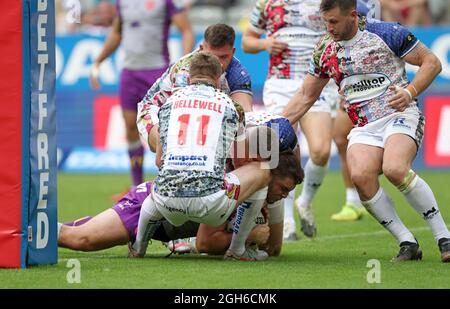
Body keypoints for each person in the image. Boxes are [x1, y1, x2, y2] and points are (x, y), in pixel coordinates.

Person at [282, 0, 450, 262]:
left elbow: (432, 62)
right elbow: (306, 95)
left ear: (352, 15)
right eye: (325, 22)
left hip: (400, 115)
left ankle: (444, 237)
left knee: (395, 169)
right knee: (360, 177)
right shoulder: (324, 49)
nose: (328, 28)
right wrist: (280, 124)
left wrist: (409, 92)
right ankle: (407, 241)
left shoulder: (387, 33)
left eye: (334, 22)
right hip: (363, 127)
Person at [130, 52, 303, 260]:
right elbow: (239, 155)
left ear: (188, 77)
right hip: (211, 204)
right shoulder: (230, 105)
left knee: (157, 191)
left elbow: (159, 161)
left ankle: (138, 248)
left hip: (166, 203)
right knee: (262, 175)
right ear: (219, 79)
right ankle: (237, 251)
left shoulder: (169, 104)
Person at [241, 0, 371, 240]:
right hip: (280, 83)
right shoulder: (267, 4)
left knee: (321, 151)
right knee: (282, 150)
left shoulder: (324, 3)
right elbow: (246, 41)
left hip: (317, 83)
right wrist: (265, 43)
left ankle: (306, 202)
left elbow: (350, 24)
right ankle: (287, 221)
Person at [89, 0, 195, 198]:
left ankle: (170, 182)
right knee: (130, 127)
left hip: (156, 71)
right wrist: (98, 61)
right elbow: (117, 33)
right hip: (130, 73)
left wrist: (184, 63)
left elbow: (186, 29)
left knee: (167, 128)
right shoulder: (122, 3)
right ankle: (136, 186)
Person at [137, 23, 253, 154]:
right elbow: (179, 113)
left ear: (233, 52)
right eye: (213, 56)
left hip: (204, 112)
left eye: (224, 57)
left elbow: (245, 115)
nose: (219, 63)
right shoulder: (185, 70)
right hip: (155, 111)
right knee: (177, 144)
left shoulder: (238, 74)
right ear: (202, 49)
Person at [331, 0, 380, 221]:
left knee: (388, 155)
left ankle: (371, 180)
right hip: (348, 75)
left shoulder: (369, 5)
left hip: (373, 77)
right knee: (341, 138)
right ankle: (352, 201)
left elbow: (372, 24)